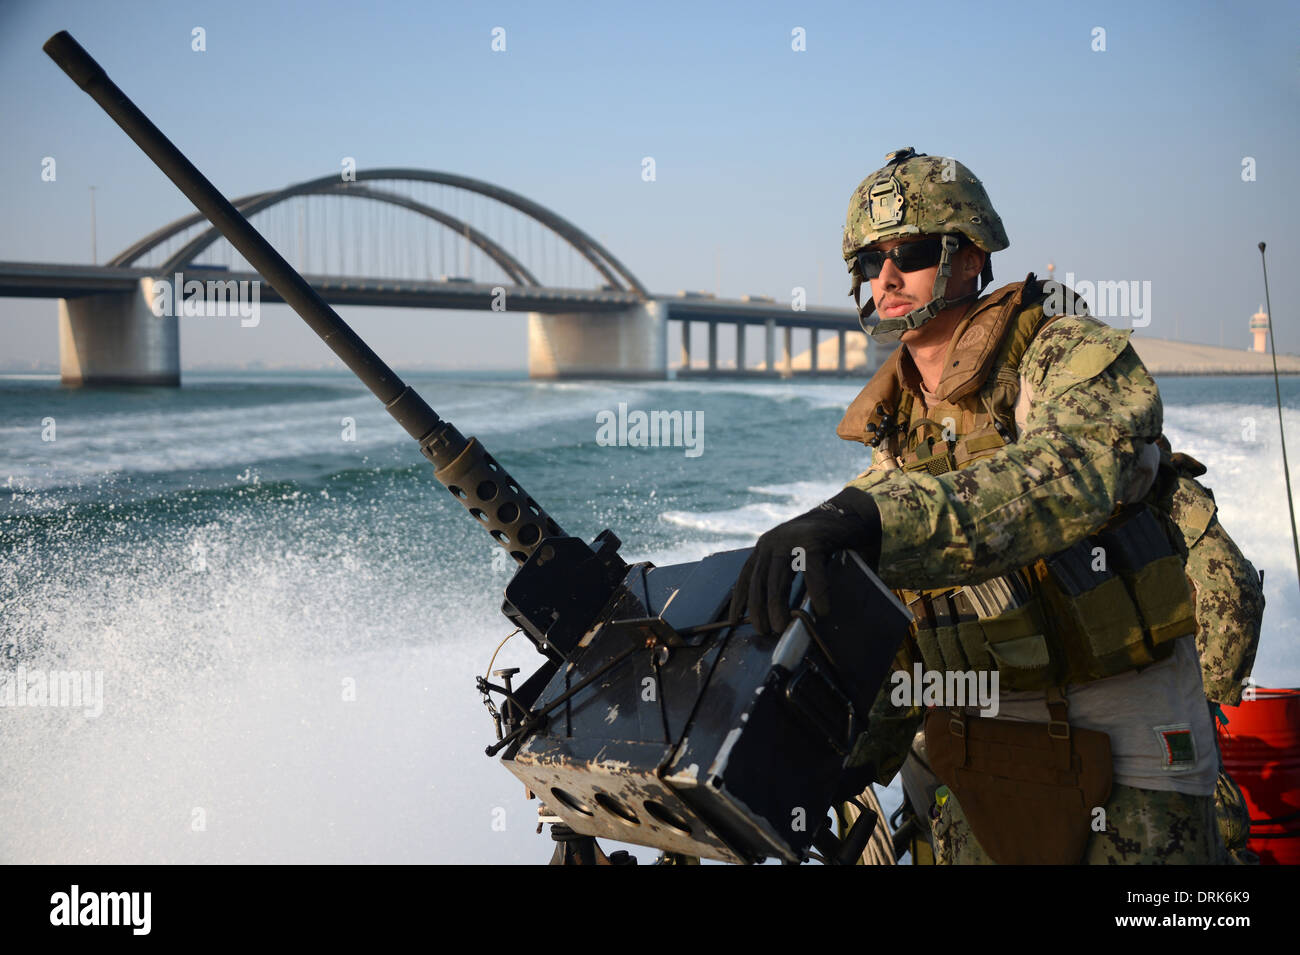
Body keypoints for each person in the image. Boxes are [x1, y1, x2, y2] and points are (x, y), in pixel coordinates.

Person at [731, 147, 1230, 864]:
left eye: (909, 250)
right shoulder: (896, 429)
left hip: (1122, 732)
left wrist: (873, 517)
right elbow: (906, 629)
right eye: (870, 262)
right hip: (976, 739)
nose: (888, 277)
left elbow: (1069, 478)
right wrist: (835, 764)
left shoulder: (1062, 351)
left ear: (970, 255)